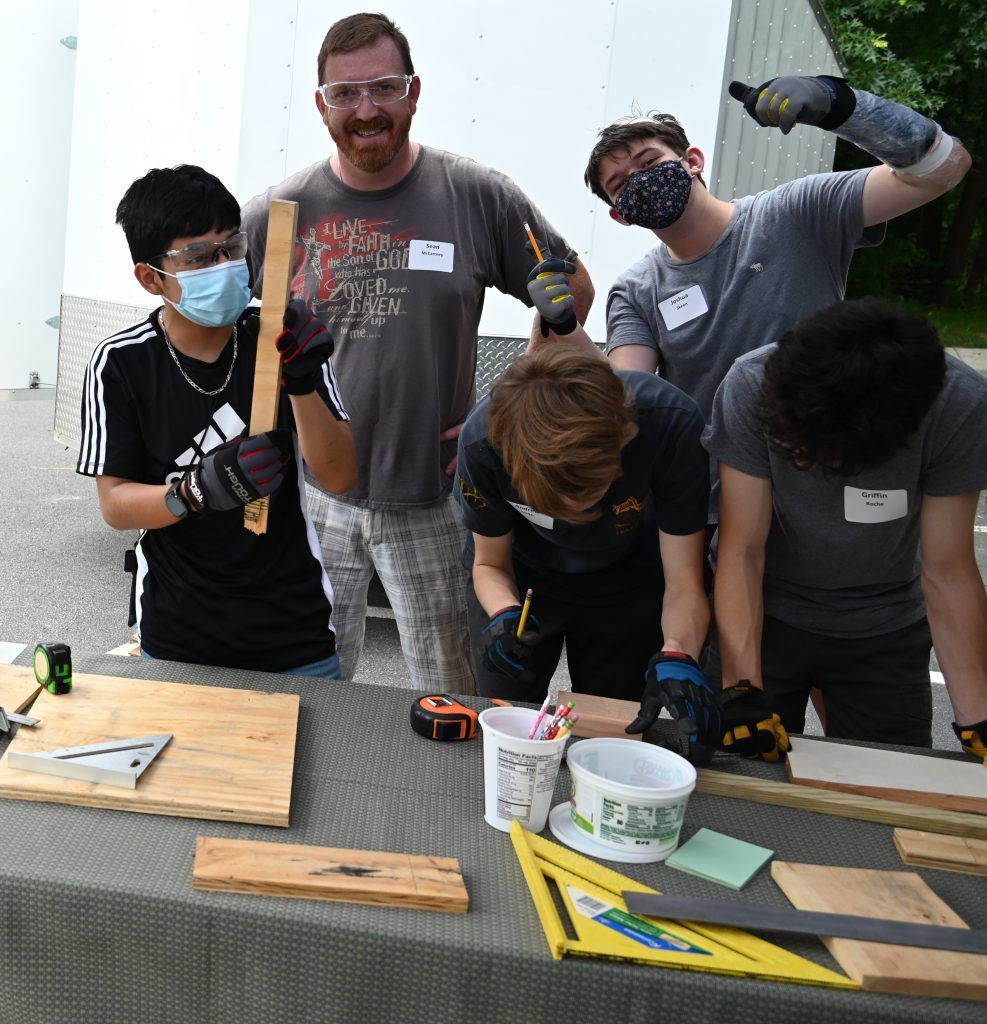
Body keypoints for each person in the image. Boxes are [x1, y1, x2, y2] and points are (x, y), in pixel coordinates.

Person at [242, 12, 593, 690]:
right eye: (345, 93)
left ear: (414, 92)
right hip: (315, 503)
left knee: (451, 690)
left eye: (384, 87)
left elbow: (570, 290)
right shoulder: (281, 214)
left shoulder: (475, 196)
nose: (366, 109)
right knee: (307, 686)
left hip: (434, 498)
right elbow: (213, 317)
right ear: (321, 104)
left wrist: (505, 411)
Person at [77, 165, 357, 676]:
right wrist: (195, 492)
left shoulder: (281, 339)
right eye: (199, 257)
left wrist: (301, 382)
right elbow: (116, 505)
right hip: (177, 635)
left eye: (231, 247)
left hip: (295, 636)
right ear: (151, 277)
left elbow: (340, 476)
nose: (224, 265)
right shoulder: (121, 363)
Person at [576, 74, 971, 425]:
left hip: (826, 463)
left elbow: (944, 167)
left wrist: (837, 103)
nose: (640, 181)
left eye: (649, 162)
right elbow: (628, 399)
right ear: (621, 216)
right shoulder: (636, 291)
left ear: (692, 161)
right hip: (712, 479)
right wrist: (564, 328)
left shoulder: (796, 212)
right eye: (621, 185)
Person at [702, 298, 987, 758]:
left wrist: (979, 717)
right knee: (742, 763)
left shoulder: (958, 406)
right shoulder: (753, 385)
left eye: (811, 455)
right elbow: (743, 551)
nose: (800, 463)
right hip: (765, 614)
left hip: (884, 625)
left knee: (891, 779)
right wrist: (741, 692)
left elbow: (949, 570)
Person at [456, 348, 714, 754]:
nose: (577, 516)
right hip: (523, 581)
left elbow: (684, 583)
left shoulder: (669, 423)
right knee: (507, 718)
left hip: (629, 579)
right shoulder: (483, 444)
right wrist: (504, 613)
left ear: (624, 438)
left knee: (614, 731)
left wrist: (679, 654)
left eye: (592, 495)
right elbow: (489, 562)